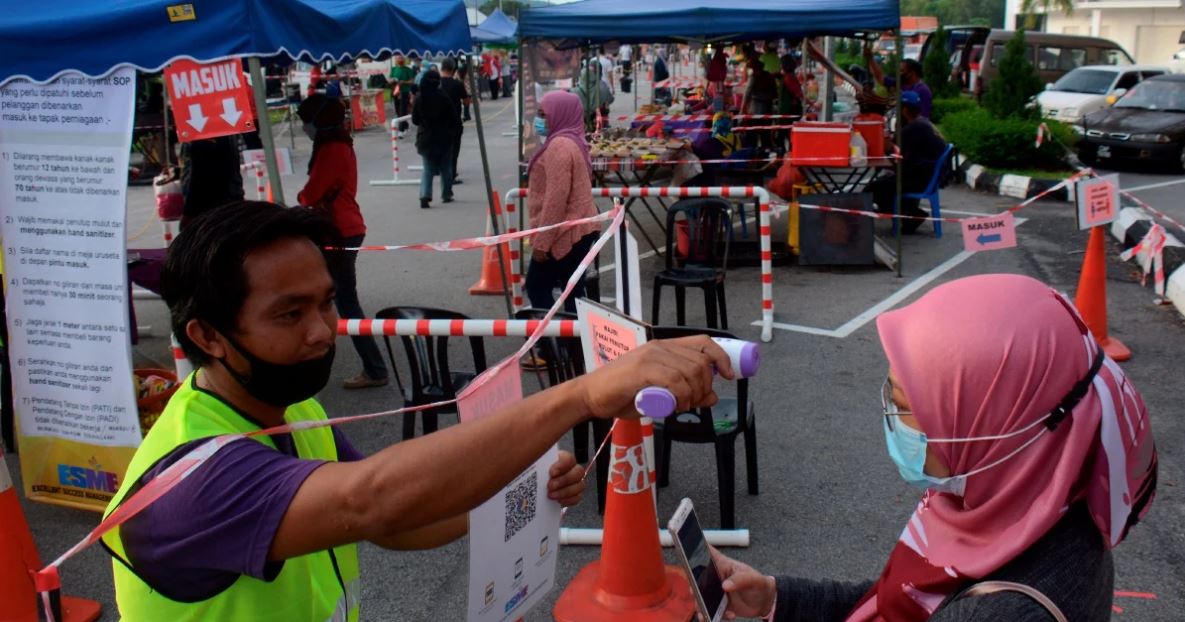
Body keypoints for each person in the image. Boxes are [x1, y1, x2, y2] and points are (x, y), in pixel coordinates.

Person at [102, 201, 735, 620]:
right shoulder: (188, 479)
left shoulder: (281, 410)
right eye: (289, 315)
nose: (324, 332)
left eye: (325, 303)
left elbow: (393, 523)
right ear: (208, 337)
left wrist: (514, 485)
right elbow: (367, 500)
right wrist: (581, 395)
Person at [711, 273, 1157, 622]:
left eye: (906, 406)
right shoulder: (1034, 513)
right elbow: (909, 601)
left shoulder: (1003, 613)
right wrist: (774, 597)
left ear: (1000, 428)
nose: (890, 418)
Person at [295, 95, 389, 390]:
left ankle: (375, 369)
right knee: (336, 298)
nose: (305, 127)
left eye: (306, 120)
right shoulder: (339, 143)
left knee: (345, 302)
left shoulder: (331, 148)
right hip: (341, 228)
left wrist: (302, 198)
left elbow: (311, 194)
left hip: (338, 231)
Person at [525, 91, 599, 313]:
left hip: (566, 233)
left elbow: (556, 200)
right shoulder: (572, 140)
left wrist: (542, 242)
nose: (539, 119)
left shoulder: (559, 146)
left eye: (543, 114)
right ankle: (575, 343)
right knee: (573, 292)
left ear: (559, 114)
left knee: (537, 286)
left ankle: (555, 343)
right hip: (579, 228)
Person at [867, 91, 947, 234]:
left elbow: (895, 154)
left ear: (904, 110)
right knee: (885, 181)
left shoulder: (912, 129)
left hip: (921, 179)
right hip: (929, 176)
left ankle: (910, 216)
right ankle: (911, 212)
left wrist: (884, 140)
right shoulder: (923, 123)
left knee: (874, 189)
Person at [412, 70, 460, 209]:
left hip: (425, 138)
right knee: (446, 167)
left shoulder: (420, 98)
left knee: (427, 168)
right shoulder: (443, 97)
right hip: (444, 138)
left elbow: (415, 120)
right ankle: (446, 194)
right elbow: (454, 118)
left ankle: (425, 195)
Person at [179, 135, 244, 228]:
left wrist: (188, 213)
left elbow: (197, 175)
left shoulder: (197, 133)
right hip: (232, 200)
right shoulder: (227, 129)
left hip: (208, 210)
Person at [439, 58, 469, 186]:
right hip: (454, 121)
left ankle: (442, 172)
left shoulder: (436, 84)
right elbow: (466, 101)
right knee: (454, 150)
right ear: (453, 69)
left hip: (438, 121)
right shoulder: (457, 84)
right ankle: (451, 175)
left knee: (441, 148)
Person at [388, 54, 416, 137]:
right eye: (398, 58)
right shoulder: (393, 69)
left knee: (402, 111)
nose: (399, 59)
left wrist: (404, 82)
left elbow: (412, 81)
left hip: (404, 92)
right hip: (395, 92)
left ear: (404, 59)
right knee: (397, 110)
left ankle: (401, 130)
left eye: (401, 58)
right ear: (395, 59)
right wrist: (392, 80)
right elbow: (389, 80)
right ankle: (405, 125)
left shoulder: (408, 69)